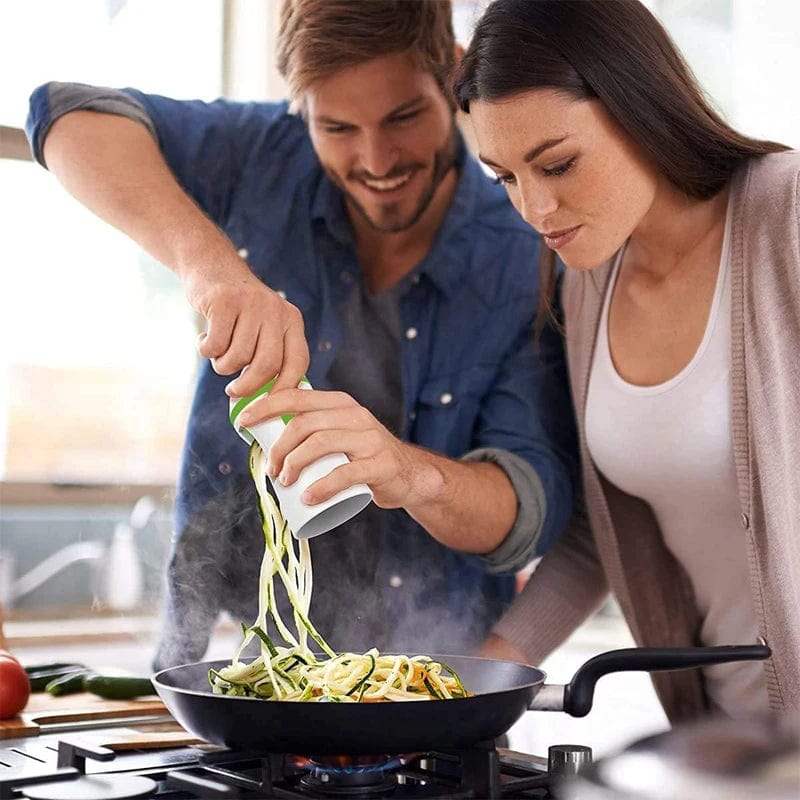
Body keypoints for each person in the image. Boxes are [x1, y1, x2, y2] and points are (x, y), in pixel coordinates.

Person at [26, 0, 577, 668]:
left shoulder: (526, 249)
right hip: (223, 659)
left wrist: (407, 473)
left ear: (454, 76)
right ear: (301, 109)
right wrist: (212, 270)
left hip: (427, 685)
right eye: (336, 127)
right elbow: (63, 115)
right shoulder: (264, 154)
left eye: (403, 117)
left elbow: (527, 510)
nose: (375, 160)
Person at [452, 0, 799, 719]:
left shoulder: (785, 215)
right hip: (724, 739)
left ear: (640, 105)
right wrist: (478, 680)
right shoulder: (589, 283)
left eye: (557, 164)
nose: (535, 209)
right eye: (505, 177)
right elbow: (606, 526)